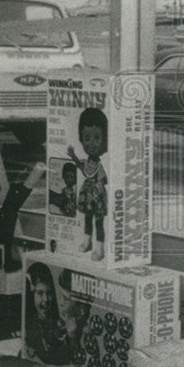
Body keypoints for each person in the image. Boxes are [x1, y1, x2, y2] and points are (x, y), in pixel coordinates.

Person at [68, 106, 108, 262]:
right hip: (87, 195)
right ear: (81, 140)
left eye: (97, 138)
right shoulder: (88, 162)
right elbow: (83, 169)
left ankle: (100, 247)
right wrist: (73, 156)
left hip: (96, 195)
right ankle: (87, 241)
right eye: (87, 138)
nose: (91, 144)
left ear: (104, 140)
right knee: (87, 218)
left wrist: (97, 188)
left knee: (98, 221)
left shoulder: (99, 165)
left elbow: (104, 180)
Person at [25, 262, 72, 366]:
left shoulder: (59, 321)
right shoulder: (31, 326)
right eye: (40, 293)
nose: (45, 299)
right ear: (31, 295)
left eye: (49, 293)